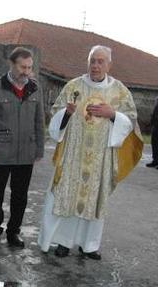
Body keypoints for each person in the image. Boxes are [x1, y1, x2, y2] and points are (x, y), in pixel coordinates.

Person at [37, 45, 142, 259]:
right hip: (73, 154)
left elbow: (131, 120)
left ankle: (89, 245)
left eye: (100, 61)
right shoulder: (73, 86)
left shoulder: (119, 90)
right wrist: (66, 114)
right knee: (67, 195)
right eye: (92, 60)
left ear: (109, 64)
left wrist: (113, 114)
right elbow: (56, 113)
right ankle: (64, 242)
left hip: (100, 157)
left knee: (94, 198)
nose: (95, 65)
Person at [0, 46, 45, 248]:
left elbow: (39, 120)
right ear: (12, 64)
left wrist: (39, 149)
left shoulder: (35, 88)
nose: (26, 71)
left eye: (29, 67)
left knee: (20, 197)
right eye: (22, 67)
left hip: (26, 153)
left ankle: (13, 232)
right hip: (0, 153)